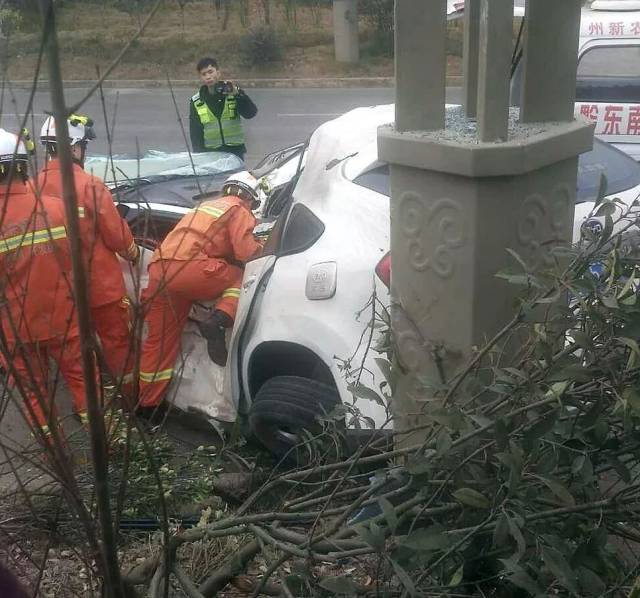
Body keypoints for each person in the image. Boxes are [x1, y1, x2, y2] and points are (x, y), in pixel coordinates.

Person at [138, 172, 263, 413]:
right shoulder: (238, 210)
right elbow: (247, 253)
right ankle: (219, 320)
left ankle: (147, 407)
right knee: (241, 276)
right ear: (249, 198)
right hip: (190, 269)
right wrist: (263, 246)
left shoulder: (204, 207)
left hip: (160, 268)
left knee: (160, 342)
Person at [38, 114, 139, 395]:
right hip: (100, 287)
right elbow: (116, 235)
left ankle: (91, 402)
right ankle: (131, 402)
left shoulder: (34, 186)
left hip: (61, 289)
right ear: (72, 147)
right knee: (117, 342)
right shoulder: (89, 185)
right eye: (82, 145)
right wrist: (132, 252)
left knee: (78, 346)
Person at [0, 128, 89, 438]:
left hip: (17, 327)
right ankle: (104, 441)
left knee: (33, 391)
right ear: (24, 164)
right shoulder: (56, 208)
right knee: (82, 379)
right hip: (64, 316)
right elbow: (78, 263)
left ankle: (55, 450)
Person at [189, 57, 257, 160]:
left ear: (218, 73)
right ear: (201, 78)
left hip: (235, 153)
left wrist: (238, 95)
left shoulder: (233, 91)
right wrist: (200, 157)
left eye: (210, 72)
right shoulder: (197, 101)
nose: (208, 77)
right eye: (204, 74)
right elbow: (195, 133)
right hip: (211, 155)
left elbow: (250, 113)